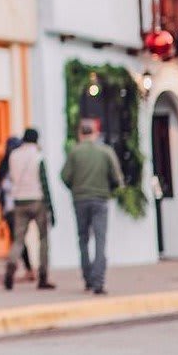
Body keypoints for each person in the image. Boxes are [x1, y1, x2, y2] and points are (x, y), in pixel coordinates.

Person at [61, 120, 124, 295]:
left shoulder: (74, 152)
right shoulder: (105, 152)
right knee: (100, 240)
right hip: (100, 199)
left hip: (80, 200)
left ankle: (87, 278)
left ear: (81, 133)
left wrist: (76, 189)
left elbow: (65, 176)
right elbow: (117, 179)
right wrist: (108, 190)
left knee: (83, 239)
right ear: (95, 133)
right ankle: (99, 281)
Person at [3, 127, 56, 291]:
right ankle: (43, 276)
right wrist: (51, 209)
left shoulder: (13, 155)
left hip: (19, 200)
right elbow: (44, 183)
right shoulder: (38, 156)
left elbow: (11, 177)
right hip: (37, 200)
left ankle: (11, 266)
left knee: (18, 239)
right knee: (43, 239)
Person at [0, 136, 35, 282]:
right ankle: (23, 267)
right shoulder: (16, 162)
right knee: (18, 239)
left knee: (17, 239)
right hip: (17, 204)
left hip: (11, 206)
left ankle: (18, 267)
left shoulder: (8, 164)